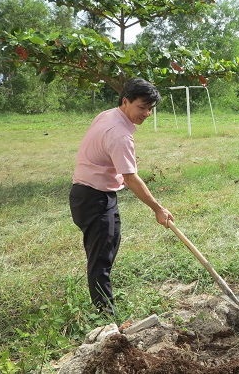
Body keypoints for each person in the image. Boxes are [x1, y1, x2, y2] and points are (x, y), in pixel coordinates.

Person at [69, 77, 174, 315]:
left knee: (109, 245)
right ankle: (106, 317)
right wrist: (157, 208)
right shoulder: (119, 134)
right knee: (100, 261)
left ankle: (104, 303)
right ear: (125, 101)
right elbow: (131, 177)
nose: (146, 113)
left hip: (95, 194)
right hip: (93, 198)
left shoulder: (109, 115)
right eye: (142, 107)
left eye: (150, 108)